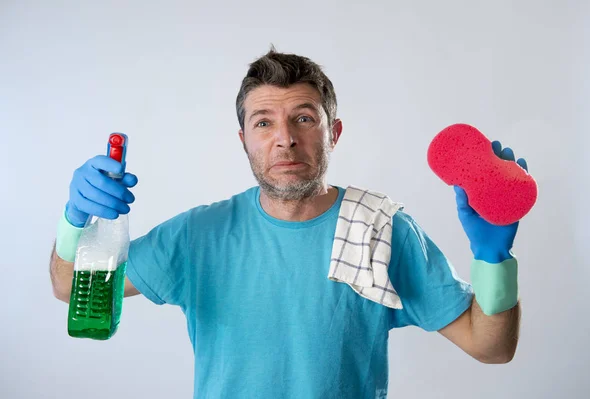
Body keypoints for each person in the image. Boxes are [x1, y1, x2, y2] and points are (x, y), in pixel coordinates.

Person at [50, 48, 524, 399]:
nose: (285, 140)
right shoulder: (199, 236)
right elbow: (70, 285)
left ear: (333, 132)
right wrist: (76, 220)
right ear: (244, 140)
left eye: (303, 118)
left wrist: (492, 258)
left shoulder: (381, 230)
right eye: (263, 123)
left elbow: (491, 346)